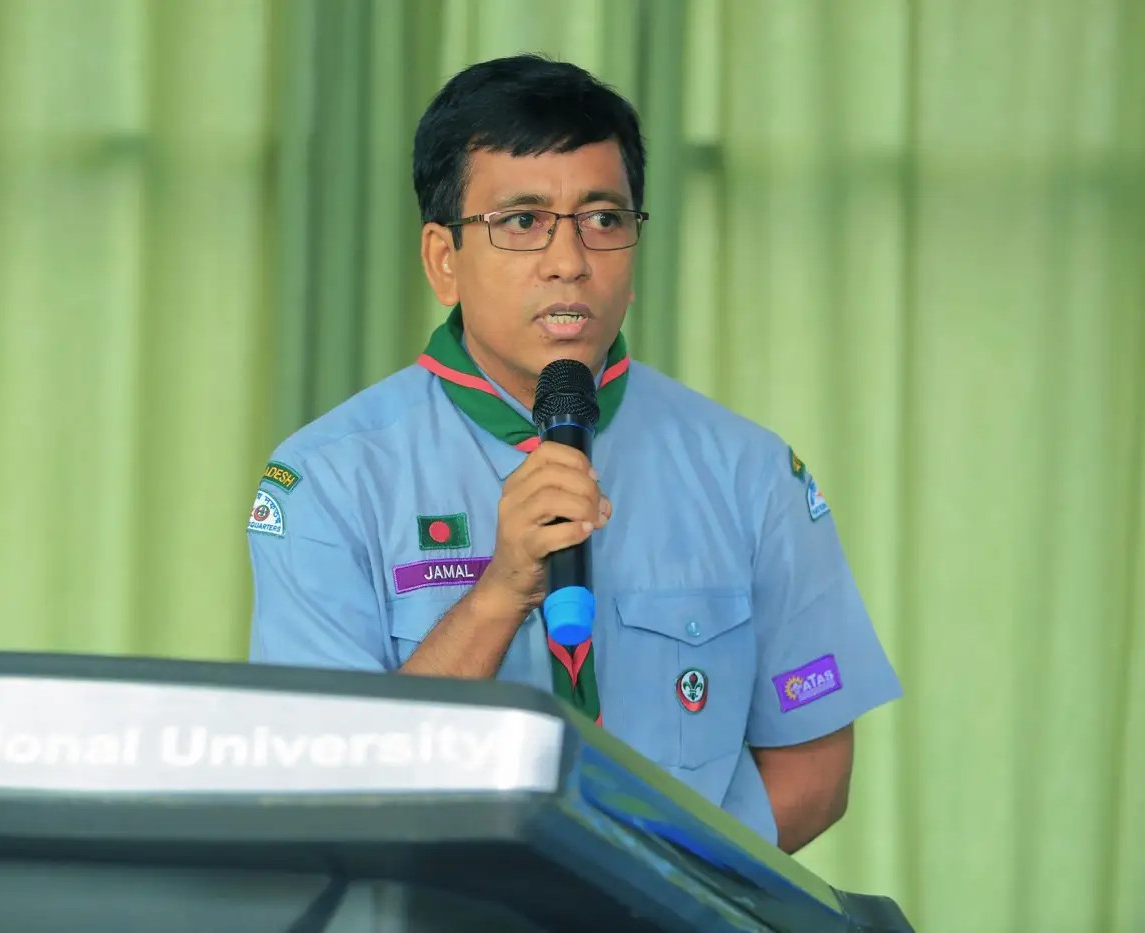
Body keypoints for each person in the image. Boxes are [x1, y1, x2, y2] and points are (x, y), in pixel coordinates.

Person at [244, 54, 901, 854]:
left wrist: (644, 889)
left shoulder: (750, 474)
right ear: (444, 261)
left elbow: (814, 768)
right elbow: (324, 780)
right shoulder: (327, 480)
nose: (570, 260)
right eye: (522, 222)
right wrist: (500, 592)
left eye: (604, 219)